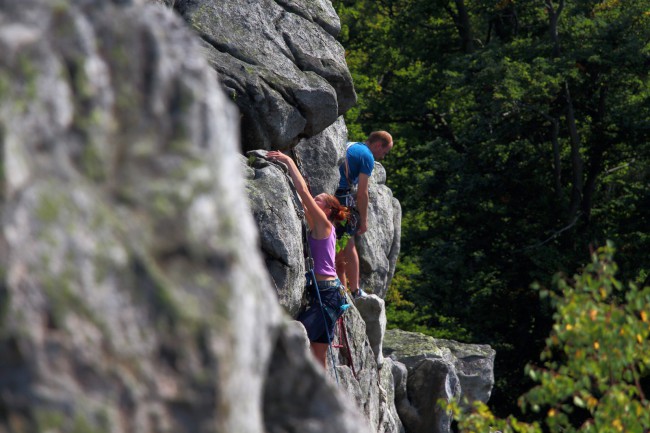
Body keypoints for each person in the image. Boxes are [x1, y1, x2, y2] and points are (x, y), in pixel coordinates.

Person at [267, 150, 349, 368]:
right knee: (318, 354)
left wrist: (288, 160)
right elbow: (300, 199)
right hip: (328, 294)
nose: (315, 200)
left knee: (297, 342)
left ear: (328, 209)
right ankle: (322, 397)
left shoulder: (323, 224)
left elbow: (303, 192)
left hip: (327, 294)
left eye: (319, 200)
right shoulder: (321, 226)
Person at [335, 131, 393, 299]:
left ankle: (341, 286)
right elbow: (362, 193)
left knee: (337, 243)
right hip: (340, 199)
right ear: (377, 145)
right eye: (384, 151)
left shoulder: (351, 145)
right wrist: (364, 220)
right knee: (348, 243)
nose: (382, 157)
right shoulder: (367, 156)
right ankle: (354, 290)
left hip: (329, 194)